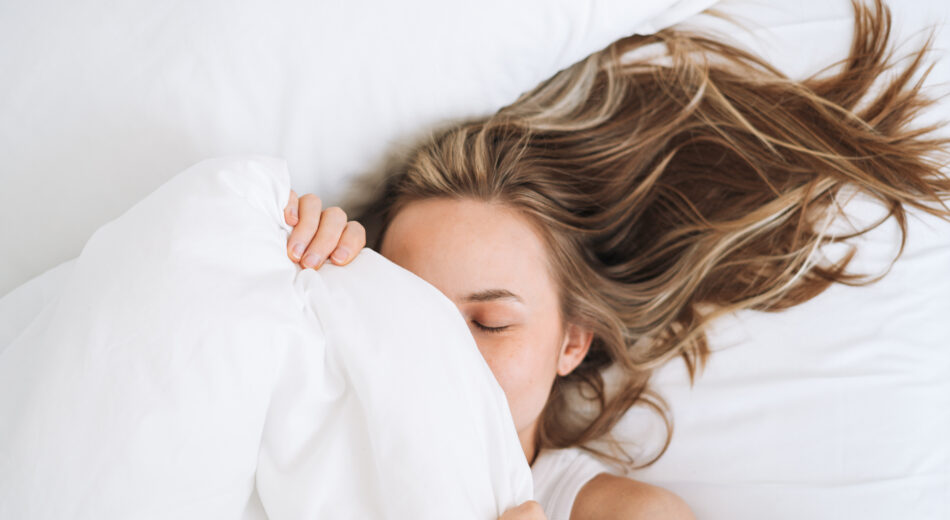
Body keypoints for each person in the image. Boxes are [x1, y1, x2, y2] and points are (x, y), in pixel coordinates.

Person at [278, 0, 950, 517]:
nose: (446, 350)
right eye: (412, 308)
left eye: (489, 323)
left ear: (571, 342)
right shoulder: (304, 415)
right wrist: (279, 266)